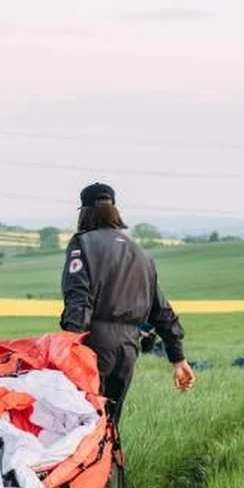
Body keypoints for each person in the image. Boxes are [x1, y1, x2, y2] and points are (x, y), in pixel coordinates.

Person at [59, 182, 194, 426]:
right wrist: (178, 358)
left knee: (83, 425)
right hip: (128, 350)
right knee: (111, 424)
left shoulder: (83, 244)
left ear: (85, 212)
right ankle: (113, 464)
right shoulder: (140, 252)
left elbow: (78, 299)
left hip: (93, 345)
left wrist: (70, 347)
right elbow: (161, 310)